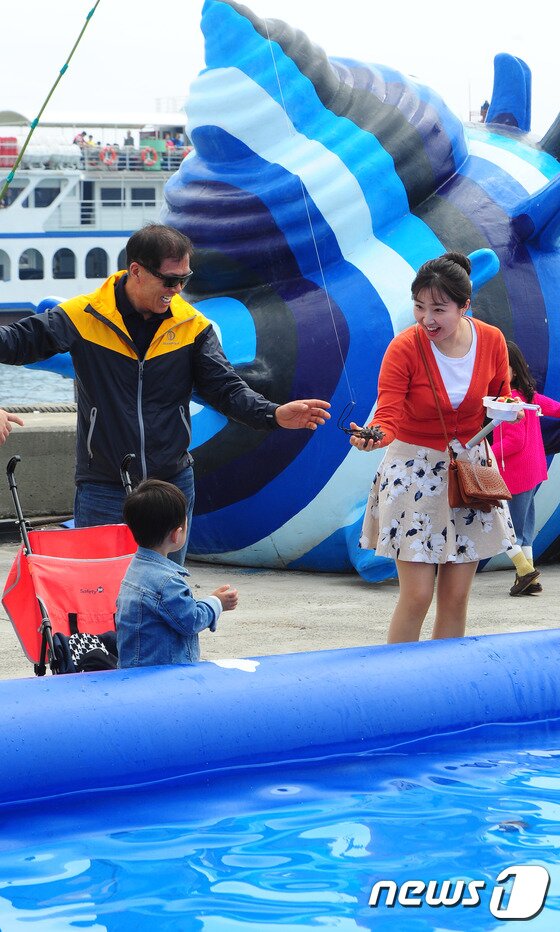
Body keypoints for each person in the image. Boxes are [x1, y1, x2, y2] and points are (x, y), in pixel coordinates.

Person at [0, 223, 330, 565]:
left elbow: (226, 389)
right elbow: (11, 343)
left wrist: (273, 414)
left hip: (170, 485)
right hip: (103, 486)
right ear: (137, 271)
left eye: (184, 279)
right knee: (99, 596)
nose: (178, 289)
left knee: (165, 593)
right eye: (170, 280)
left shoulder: (192, 327)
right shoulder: (81, 317)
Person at [349, 252, 532, 644]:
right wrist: (374, 436)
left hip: (469, 472)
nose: (426, 318)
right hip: (414, 469)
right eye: (418, 306)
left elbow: (499, 395)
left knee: (456, 597)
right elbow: (389, 412)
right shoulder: (404, 347)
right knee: (416, 595)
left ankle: (442, 690)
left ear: (465, 306)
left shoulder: (492, 340)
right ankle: (399, 687)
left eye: (438, 308)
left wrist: (510, 408)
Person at [116, 479, 238, 667]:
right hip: (162, 675)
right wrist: (216, 603)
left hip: (134, 669)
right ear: (176, 534)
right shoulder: (167, 582)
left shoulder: (135, 569)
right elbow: (191, 620)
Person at [491, 340, 560, 596]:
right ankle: (528, 579)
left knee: (505, 527)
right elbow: (555, 408)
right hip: (534, 472)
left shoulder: (508, 401)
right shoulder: (528, 396)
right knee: (525, 529)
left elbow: (513, 441)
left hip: (515, 475)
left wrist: (484, 454)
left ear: (514, 370)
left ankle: (525, 571)